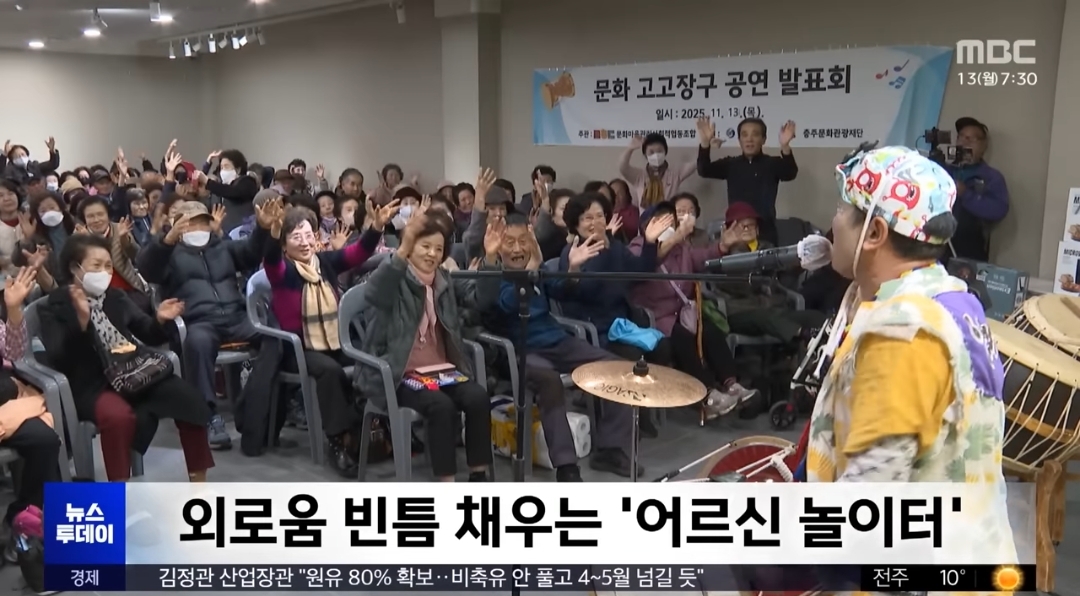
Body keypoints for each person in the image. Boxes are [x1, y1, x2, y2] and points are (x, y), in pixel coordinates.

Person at [806, 145, 1015, 564]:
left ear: (875, 233)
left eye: (842, 208)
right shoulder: (950, 298)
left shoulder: (902, 330)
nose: (832, 221)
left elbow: (866, 506)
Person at [38, 234, 214, 482]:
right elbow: (59, 356)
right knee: (119, 418)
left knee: (189, 400)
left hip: (133, 371)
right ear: (75, 268)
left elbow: (148, 333)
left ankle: (199, 483)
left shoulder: (116, 297)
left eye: (108, 266)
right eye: (96, 266)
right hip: (90, 382)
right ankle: (119, 492)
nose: (104, 272)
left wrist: (159, 319)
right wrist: (82, 324)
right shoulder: (54, 306)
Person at [479, 213, 642, 478]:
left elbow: (562, 290)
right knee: (550, 382)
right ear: (498, 246)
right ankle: (566, 466)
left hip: (558, 342)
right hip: (521, 350)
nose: (518, 249)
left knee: (618, 368)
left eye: (523, 241)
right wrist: (528, 274)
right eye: (510, 242)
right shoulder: (491, 276)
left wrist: (573, 269)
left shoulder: (537, 267)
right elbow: (505, 304)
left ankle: (611, 450)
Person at [356, 210, 494, 482]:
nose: (432, 254)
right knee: (441, 406)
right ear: (411, 246)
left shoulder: (443, 279)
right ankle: (446, 482)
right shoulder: (395, 276)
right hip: (399, 373)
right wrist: (402, 249)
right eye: (425, 246)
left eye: (438, 249)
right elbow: (374, 293)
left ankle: (478, 475)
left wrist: (490, 259)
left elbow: (481, 300)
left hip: (442, 370)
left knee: (478, 397)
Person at [137, 199, 276, 450]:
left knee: (274, 336)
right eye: (189, 224)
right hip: (199, 321)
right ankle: (210, 416)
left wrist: (263, 229)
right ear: (176, 226)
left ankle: (252, 401)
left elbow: (251, 253)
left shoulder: (223, 247)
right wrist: (167, 240)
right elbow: (148, 269)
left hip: (237, 317)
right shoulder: (168, 254)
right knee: (197, 343)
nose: (197, 229)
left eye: (202, 223)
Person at [262, 200, 388, 476]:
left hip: (333, 341)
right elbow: (270, 260)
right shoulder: (283, 271)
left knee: (371, 361)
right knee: (330, 372)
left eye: (308, 235)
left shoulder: (325, 263)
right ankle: (338, 441)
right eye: (296, 237)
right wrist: (273, 233)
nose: (304, 242)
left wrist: (377, 227)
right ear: (285, 244)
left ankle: (376, 429)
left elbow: (357, 253)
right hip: (298, 349)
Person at [629, 202, 758, 419]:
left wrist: (722, 246)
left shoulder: (681, 249)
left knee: (710, 331)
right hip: (655, 316)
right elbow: (646, 264)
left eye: (670, 221)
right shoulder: (637, 248)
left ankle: (732, 385)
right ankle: (706, 395)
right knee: (682, 339)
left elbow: (702, 257)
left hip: (682, 312)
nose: (667, 226)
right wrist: (675, 238)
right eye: (660, 221)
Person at [712, 201, 826, 342]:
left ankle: (831, 341)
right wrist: (739, 250)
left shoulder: (767, 248)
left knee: (813, 316)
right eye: (743, 226)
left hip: (772, 308)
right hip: (739, 311)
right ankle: (803, 336)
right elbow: (734, 285)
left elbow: (784, 270)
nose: (748, 230)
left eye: (752, 225)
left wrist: (798, 261)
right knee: (766, 317)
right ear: (728, 229)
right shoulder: (720, 253)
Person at [0, 266, 61, 523]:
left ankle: (24, 514)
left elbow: (14, 354)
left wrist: (13, 310)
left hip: (5, 405)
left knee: (45, 440)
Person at [696, 117, 799, 245]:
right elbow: (704, 170)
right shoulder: (731, 164)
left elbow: (790, 173)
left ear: (763, 139)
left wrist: (785, 146)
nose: (749, 139)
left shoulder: (772, 163)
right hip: (736, 230)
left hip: (765, 231)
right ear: (739, 140)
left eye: (755, 134)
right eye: (744, 135)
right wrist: (705, 143)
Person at [946, 117, 1009, 262]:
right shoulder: (943, 170)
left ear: (983, 146)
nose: (964, 142)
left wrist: (966, 194)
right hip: (934, 248)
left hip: (969, 251)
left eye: (971, 139)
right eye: (961, 137)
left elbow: (998, 210)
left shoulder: (991, 177)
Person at [75, 196, 151, 314]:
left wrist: (124, 239)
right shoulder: (78, 237)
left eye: (100, 214)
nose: (96, 220)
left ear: (108, 215)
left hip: (128, 288)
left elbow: (136, 256)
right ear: (84, 219)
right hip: (99, 295)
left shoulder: (119, 228)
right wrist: (88, 241)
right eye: (90, 216)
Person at [618, 133, 696, 208]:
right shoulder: (639, 176)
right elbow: (623, 167)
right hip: (646, 217)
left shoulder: (674, 174)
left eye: (659, 151)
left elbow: (696, 163)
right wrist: (630, 149)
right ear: (645, 155)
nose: (656, 155)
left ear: (665, 152)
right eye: (651, 152)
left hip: (668, 216)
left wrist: (703, 142)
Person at [199, 149, 258, 235]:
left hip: (242, 232)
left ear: (238, 169)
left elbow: (233, 192)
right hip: (224, 233)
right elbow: (200, 182)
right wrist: (208, 163)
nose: (223, 171)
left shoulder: (247, 182)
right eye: (221, 167)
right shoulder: (222, 187)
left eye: (226, 167)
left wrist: (208, 182)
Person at [462, 169, 514, 262]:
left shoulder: (514, 231)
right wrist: (479, 203)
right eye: (492, 209)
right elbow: (472, 238)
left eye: (502, 208)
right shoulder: (474, 236)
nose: (498, 213)